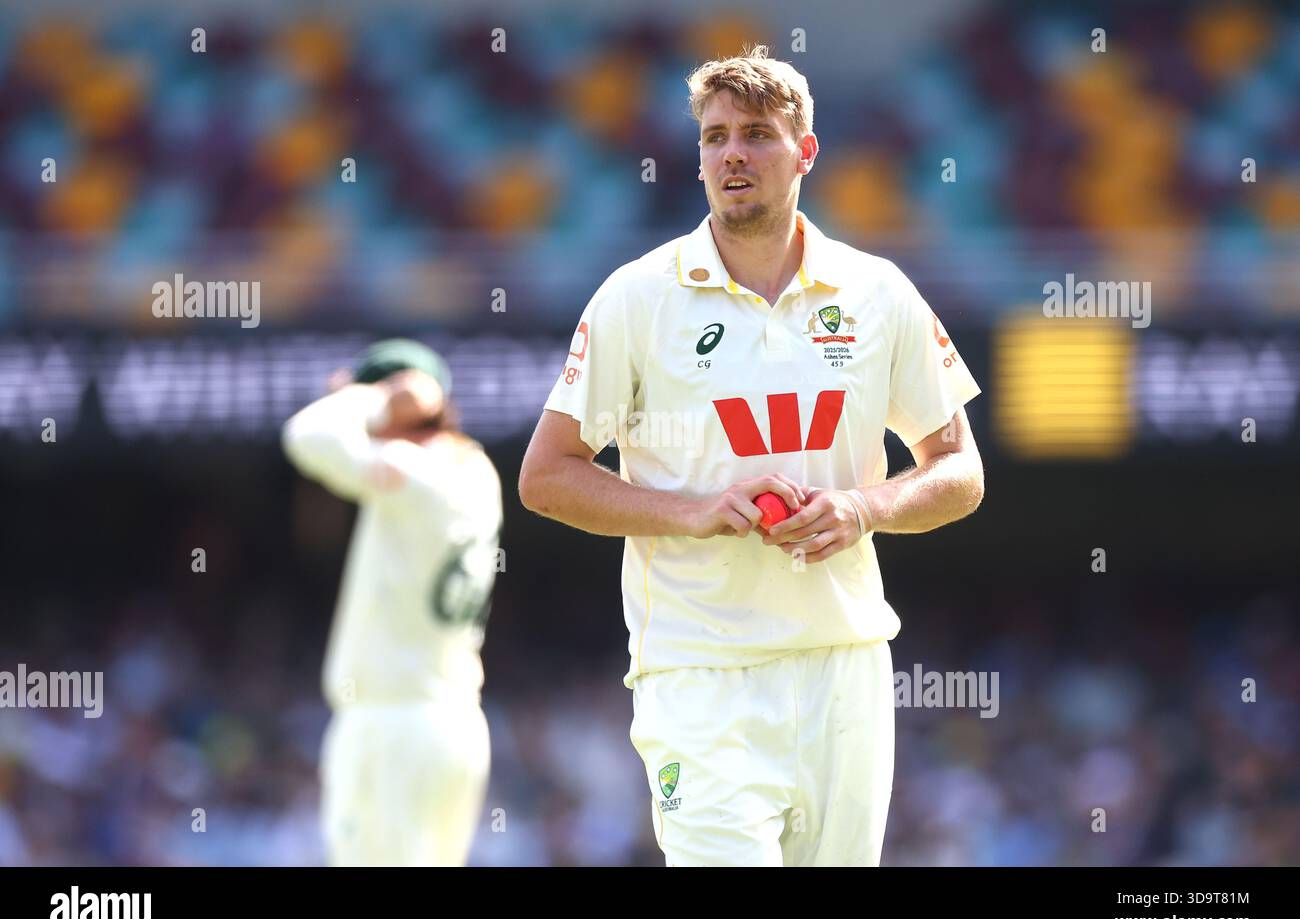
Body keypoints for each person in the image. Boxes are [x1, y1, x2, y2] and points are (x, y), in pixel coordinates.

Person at [518, 46, 985, 866]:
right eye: (715, 137)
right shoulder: (638, 295)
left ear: (805, 151)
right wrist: (693, 515)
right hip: (699, 675)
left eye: (758, 135)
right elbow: (546, 475)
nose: (732, 154)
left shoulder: (877, 291)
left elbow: (960, 472)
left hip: (845, 668)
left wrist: (863, 508)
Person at [282, 339, 502, 866]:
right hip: (454, 724)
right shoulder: (477, 471)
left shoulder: (415, 471)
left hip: (392, 727)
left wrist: (372, 399)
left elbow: (307, 435)